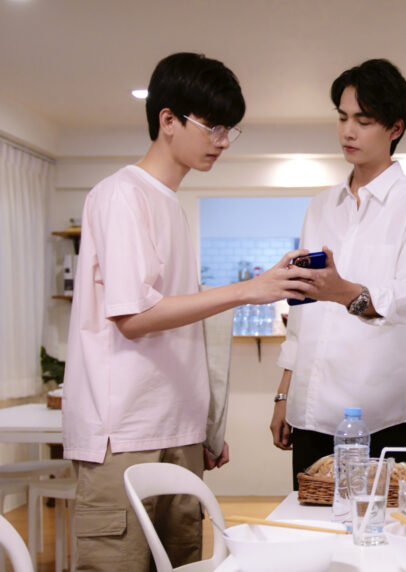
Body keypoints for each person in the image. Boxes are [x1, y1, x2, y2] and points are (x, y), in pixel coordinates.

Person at [62, 52, 314, 571]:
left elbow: (179, 325)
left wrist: (202, 424)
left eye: (230, 129)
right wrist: (247, 290)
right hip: (123, 435)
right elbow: (135, 317)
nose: (223, 141)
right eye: (213, 126)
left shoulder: (172, 207)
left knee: (184, 564)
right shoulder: (120, 195)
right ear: (168, 120)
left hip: (177, 431)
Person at [269, 59, 406, 486]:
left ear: (395, 128)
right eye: (342, 118)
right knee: (309, 520)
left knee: (381, 523)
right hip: (309, 412)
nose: (348, 132)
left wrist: (344, 291)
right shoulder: (320, 205)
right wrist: (285, 394)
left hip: (380, 415)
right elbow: (301, 311)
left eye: (363, 121)